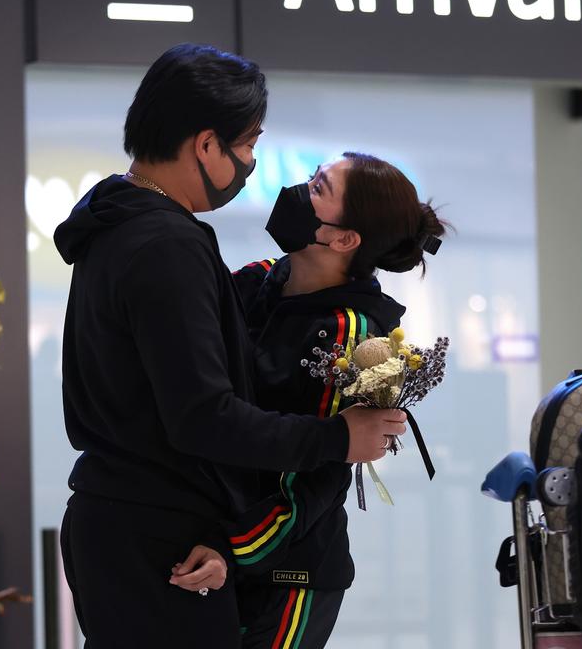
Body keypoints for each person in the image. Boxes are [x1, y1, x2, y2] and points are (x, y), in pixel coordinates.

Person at [53, 45, 407, 648]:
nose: (256, 166)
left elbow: (307, 480)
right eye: (247, 146)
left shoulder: (117, 227)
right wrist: (338, 438)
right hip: (165, 535)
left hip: (208, 544)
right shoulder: (174, 248)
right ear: (207, 145)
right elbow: (204, 416)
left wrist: (230, 544)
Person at [219, 154, 447, 648]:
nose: (300, 190)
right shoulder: (259, 279)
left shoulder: (351, 332)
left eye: (318, 187)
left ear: (344, 239)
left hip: (289, 571)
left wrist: (230, 548)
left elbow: (313, 478)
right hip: (227, 552)